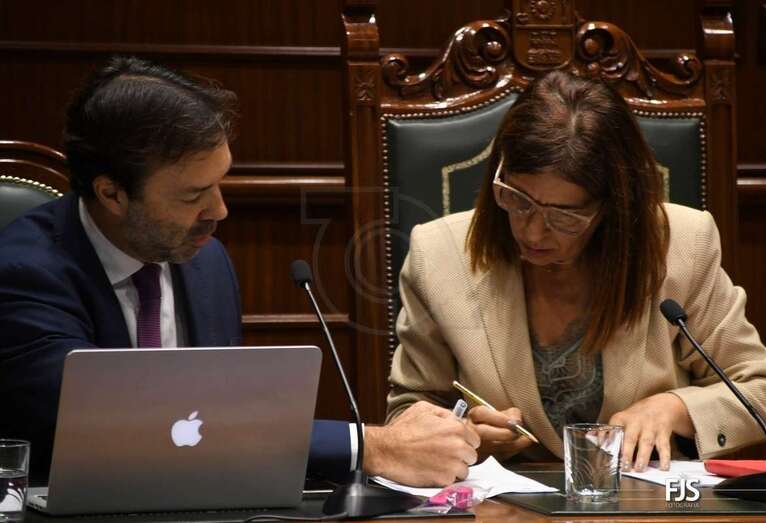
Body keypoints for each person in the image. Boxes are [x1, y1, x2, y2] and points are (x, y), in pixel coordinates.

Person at [0, 56, 479, 486]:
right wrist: (369, 447)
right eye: (193, 195)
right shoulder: (25, 273)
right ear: (112, 194)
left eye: (219, 183)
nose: (220, 211)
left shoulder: (205, 262)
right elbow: (125, 421)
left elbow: (214, 420)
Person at [386, 70, 766, 473]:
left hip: (644, 498)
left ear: (614, 205)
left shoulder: (682, 243)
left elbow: (764, 393)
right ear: (499, 174)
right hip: (502, 499)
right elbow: (408, 412)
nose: (532, 231)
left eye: (564, 216)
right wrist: (468, 435)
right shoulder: (438, 255)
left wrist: (676, 408)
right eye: (517, 199)